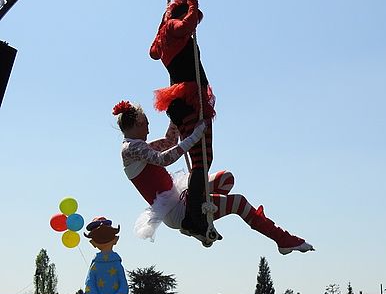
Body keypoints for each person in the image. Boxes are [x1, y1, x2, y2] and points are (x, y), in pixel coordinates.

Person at [113, 100, 314, 254]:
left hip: (180, 196)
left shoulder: (138, 146)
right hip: (177, 210)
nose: (148, 129)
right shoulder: (131, 148)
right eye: (146, 124)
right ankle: (282, 240)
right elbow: (165, 159)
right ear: (137, 123)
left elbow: (169, 141)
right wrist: (193, 138)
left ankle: (200, 224)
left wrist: (175, 118)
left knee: (226, 178)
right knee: (238, 203)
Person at [149, 0, 215, 240]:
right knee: (202, 160)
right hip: (189, 101)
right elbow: (188, 24)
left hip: (182, 101)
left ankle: (194, 216)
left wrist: (183, 14)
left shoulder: (164, 37)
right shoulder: (174, 28)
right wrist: (193, 4)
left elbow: (153, 52)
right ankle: (192, 217)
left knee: (202, 159)